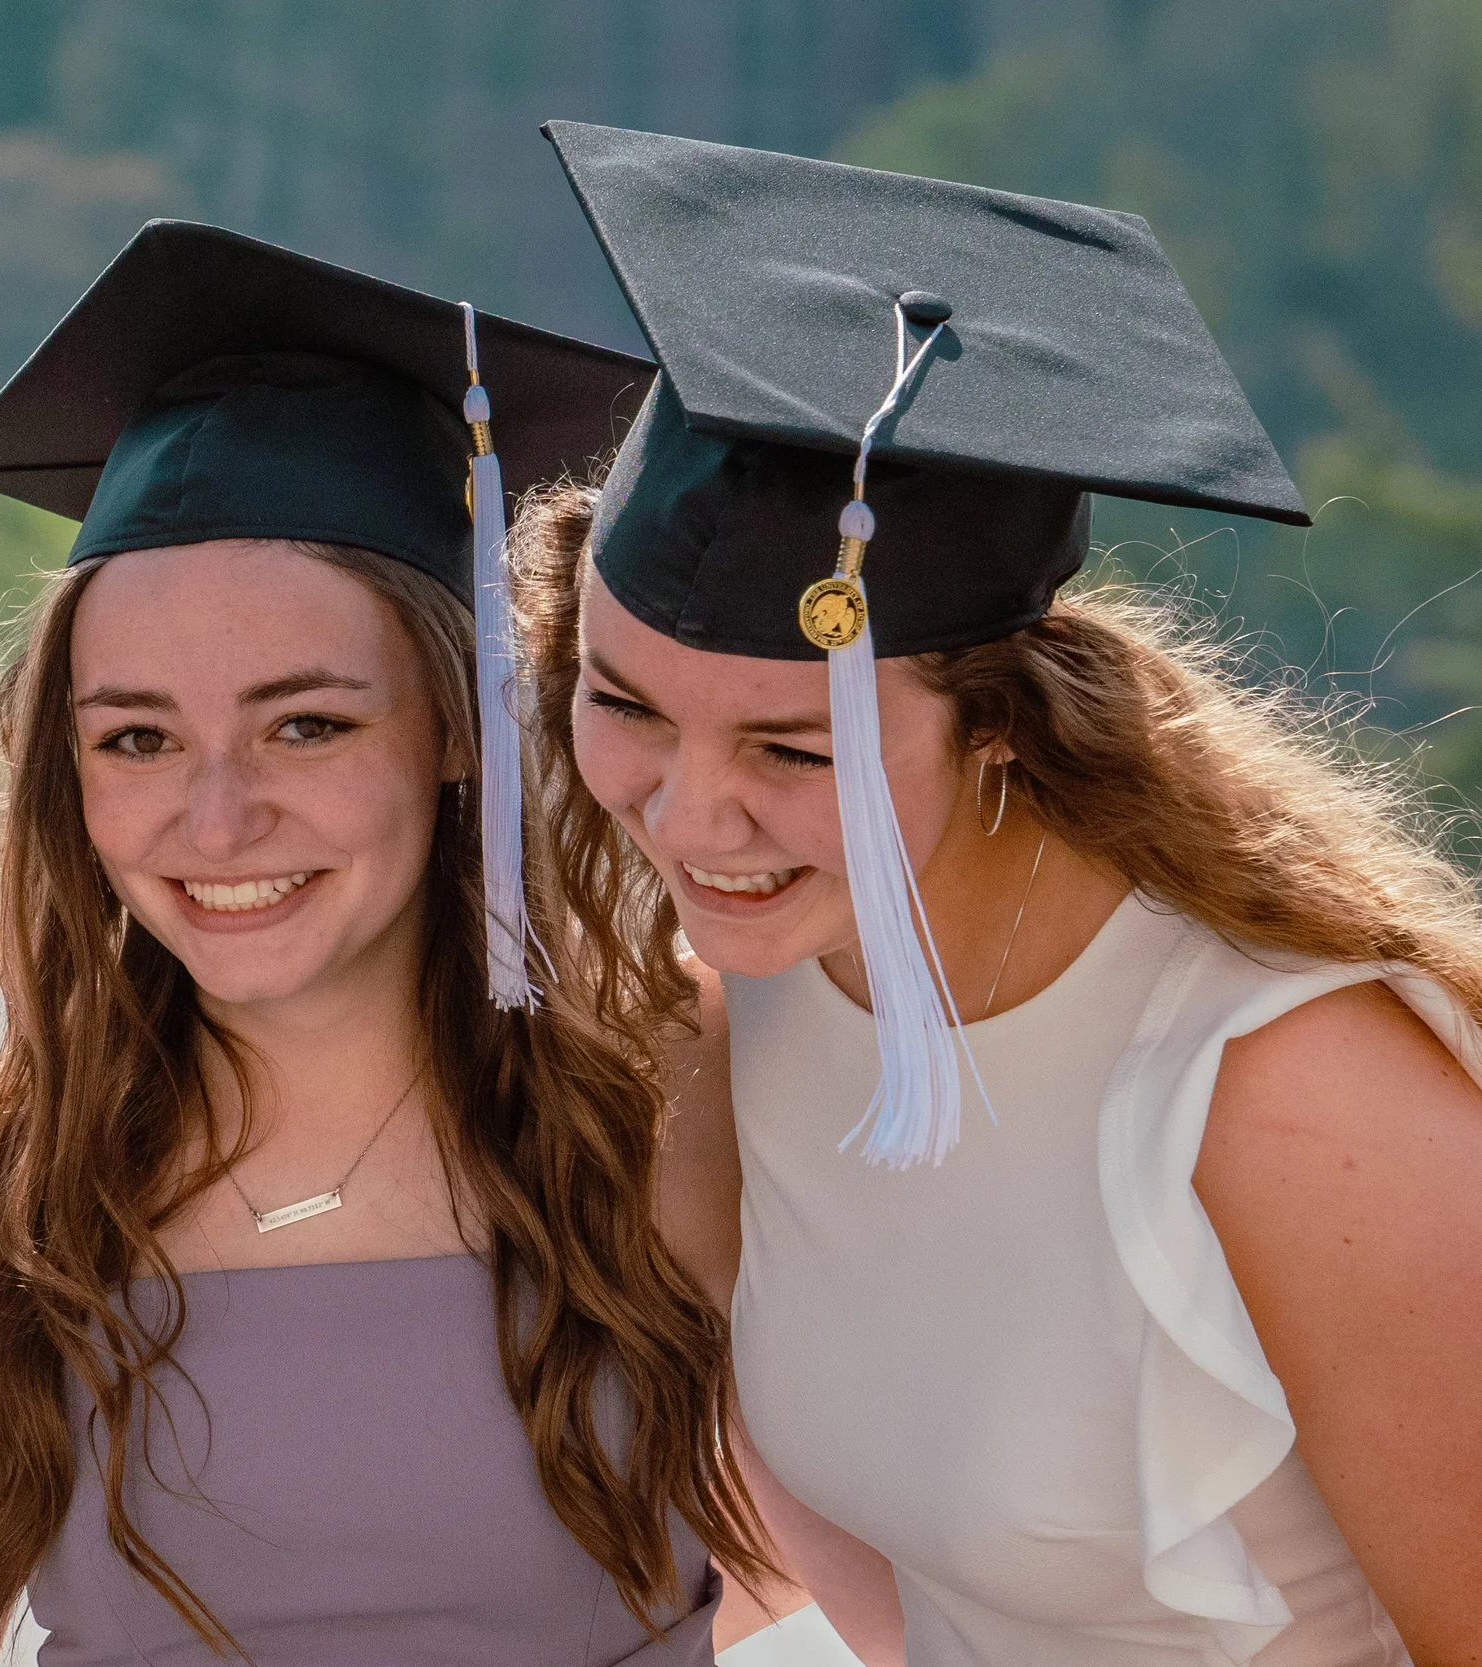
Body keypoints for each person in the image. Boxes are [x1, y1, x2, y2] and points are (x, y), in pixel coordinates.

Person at [513, 124, 1482, 1665]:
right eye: (621, 702)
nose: (692, 815)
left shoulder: (1285, 1092)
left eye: (790, 742)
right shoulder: (748, 1000)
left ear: (997, 724)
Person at [0, 220, 788, 1666]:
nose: (219, 819)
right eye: (137, 737)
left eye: (306, 724)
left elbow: (904, 1553)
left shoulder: (683, 1091)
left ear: (458, 726)